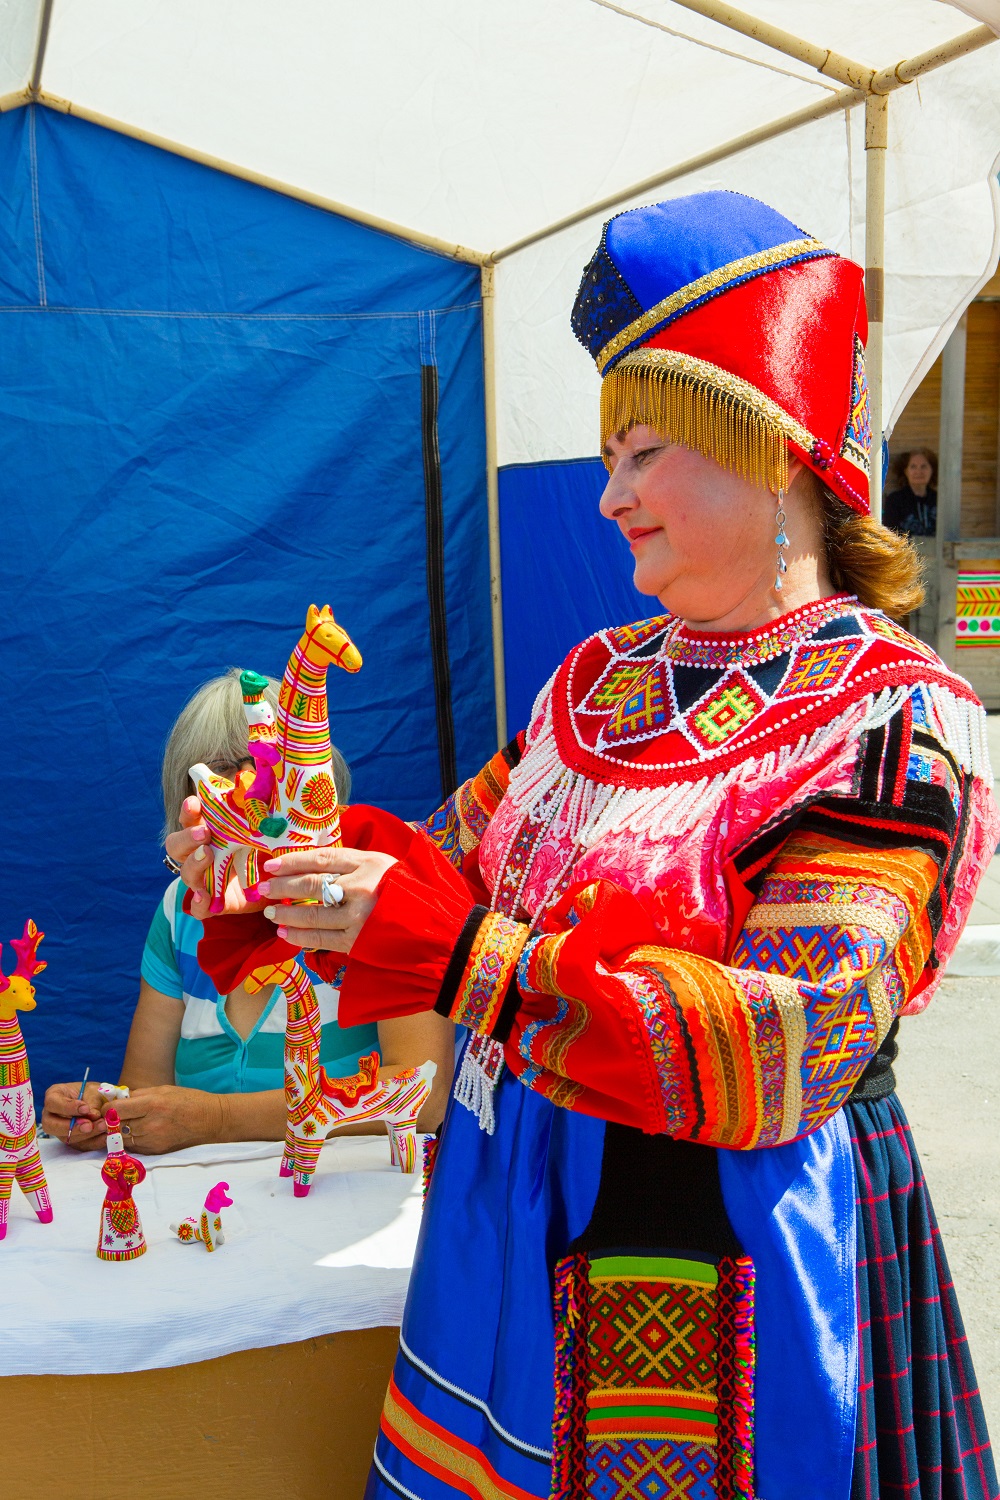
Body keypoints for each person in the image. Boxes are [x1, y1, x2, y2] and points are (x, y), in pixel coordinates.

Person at [168, 195, 998, 1500]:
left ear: (770, 443)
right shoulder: (596, 683)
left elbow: (791, 1041)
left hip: (733, 1260)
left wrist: (462, 958)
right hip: (517, 1223)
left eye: (643, 453)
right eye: (608, 458)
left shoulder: (885, 720)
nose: (609, 498)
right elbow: (443, 877)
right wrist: (282, 866)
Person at [44, 669, 453, 1154]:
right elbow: (146, 1090)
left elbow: (425, 1096)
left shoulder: (370, 893)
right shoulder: (179, 910)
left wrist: (217, 1120)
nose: (245, 786)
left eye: (267, 765)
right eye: (218, 769)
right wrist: (103, 1111)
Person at [883, 447, 938, 536]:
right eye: (913, 467)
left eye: (923, 466)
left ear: (932, 470)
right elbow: (890, 533)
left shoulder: (939, 500)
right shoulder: (895, 501)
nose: (918, 471)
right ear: (906, 471)